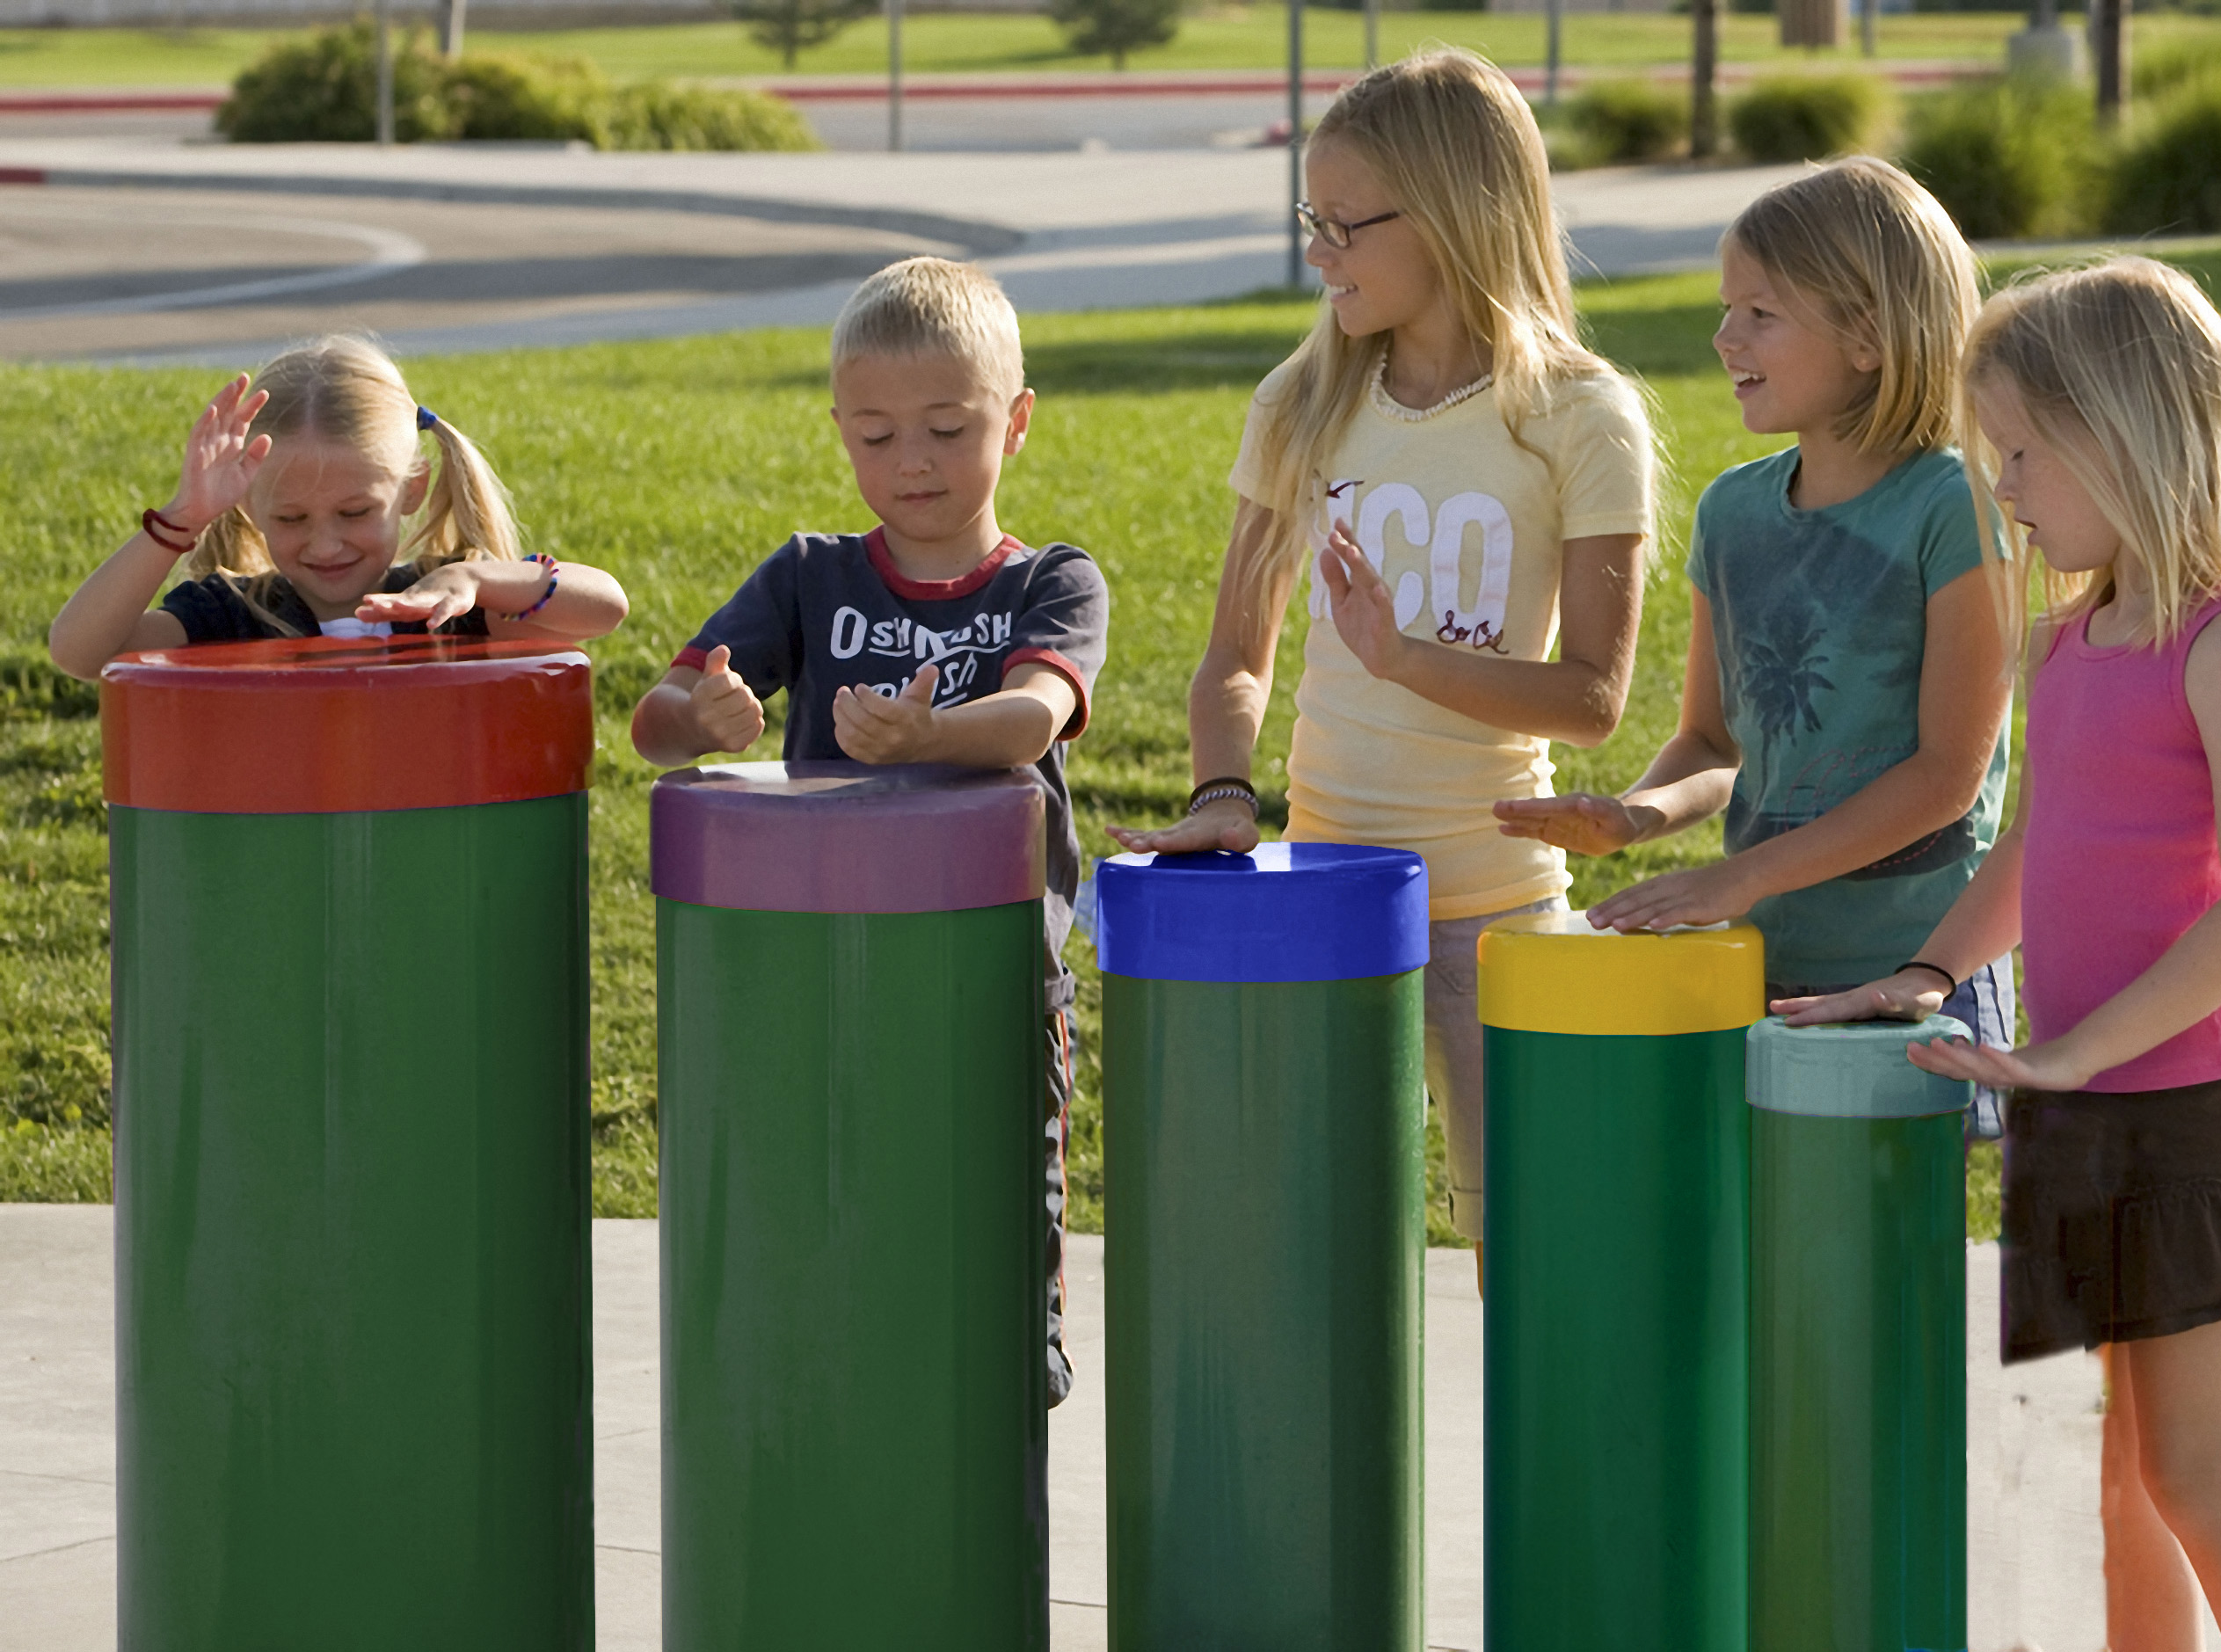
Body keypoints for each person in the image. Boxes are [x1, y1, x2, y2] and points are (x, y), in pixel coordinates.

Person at [1780, 258, 2221, 1651]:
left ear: (2133, 429)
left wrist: (2071, 1052)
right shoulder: (2069, 640)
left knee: (2195, 1475)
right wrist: (1920, 974)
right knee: (2127, 1481)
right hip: (2095, 1117)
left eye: (2029, 451)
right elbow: (2028, 864)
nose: (2011, 485)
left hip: (2205, 1123)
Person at [1106, 48, 1659, 1270]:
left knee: (1533, 1256)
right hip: (1326, 907)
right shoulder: (1302, 404)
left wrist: (1402, 655)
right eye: (1313, 220)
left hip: (1497, 914)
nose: (1320, 254)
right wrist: (1220, 793)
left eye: (1346, 224)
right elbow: (1233, 663)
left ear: (1459, 212)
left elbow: (1591, 701)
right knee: (1315, 1261)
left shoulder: (1580, 413)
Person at [631, 256, 1108, 1408]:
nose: (912, 462)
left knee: (998, 1173)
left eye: (948, 428)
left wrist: (925, 736)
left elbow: (1036, 715)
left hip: (992, 969)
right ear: (839, 430)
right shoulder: (808, 576)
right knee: (828, 1185)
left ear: (1018, 420)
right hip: (819, 964)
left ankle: (1020, 1343)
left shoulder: (1052, 582)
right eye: (876, 434)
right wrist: (699, 713)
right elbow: (655, 720)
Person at [1493, 157, 2017, 1134]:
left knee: (1879, 1258)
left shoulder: (1957, 506)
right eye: (1728, 308)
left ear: (1869, 335)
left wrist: (1737, 877)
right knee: (1774, 1255)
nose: (1725, 335)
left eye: (1761, 313)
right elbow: (1712, 745)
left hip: (1918, 961)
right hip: (1760, 964)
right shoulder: (1734, 512)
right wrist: (1637, 815)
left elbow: (1949, 774)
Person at [48, 335, 627, 677]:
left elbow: (605, 607)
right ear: (249, 505)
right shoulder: (231, 617)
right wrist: (181, 519)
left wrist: (477, 576)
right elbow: (81, 652)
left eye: (354, 513)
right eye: (291, 518)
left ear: (411, 488)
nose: (325, 544)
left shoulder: (450, 607)